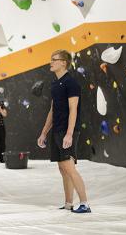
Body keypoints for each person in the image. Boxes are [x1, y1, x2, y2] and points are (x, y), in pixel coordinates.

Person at [37, 50, 90, 213]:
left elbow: (73, 110)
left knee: (69, 167)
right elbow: (52, 111)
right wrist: (44, 132)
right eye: (51, 59)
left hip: (67, 131)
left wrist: (69, 133)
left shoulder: (71, 83)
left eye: (54, 60)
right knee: (63, 168)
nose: (51, 62)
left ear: (64, 63)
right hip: (57, 130)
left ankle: (85, 204)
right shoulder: (55, 84)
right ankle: (68, 203)